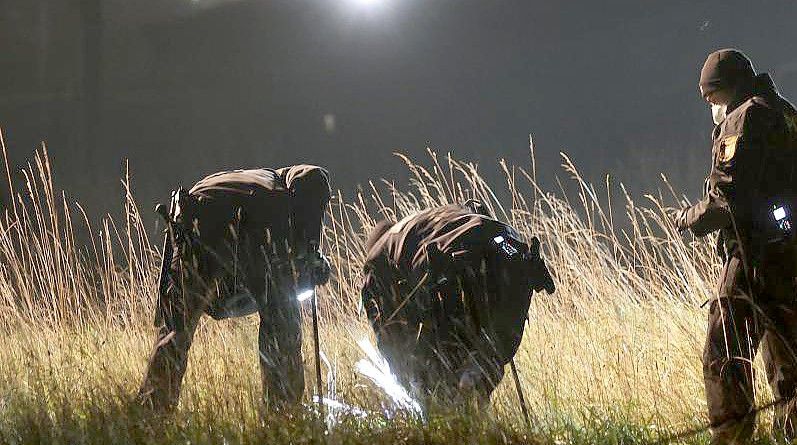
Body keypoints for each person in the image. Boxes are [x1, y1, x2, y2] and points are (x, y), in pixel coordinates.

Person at [674, 48, 797, 445]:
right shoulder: (787, 113)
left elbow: (728, 199)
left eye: (710, 98)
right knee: (789, 359)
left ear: (722, 89)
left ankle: (733, 441)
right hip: (791, 253)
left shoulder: (743, 118)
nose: (710, 107)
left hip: (754, 255)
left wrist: (689, 218)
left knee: (723, 352)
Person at [138, 165, 331, 411]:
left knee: (176, 330)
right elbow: (291, 274)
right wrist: (310, 262)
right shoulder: (285, 197)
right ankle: (283, 418)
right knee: (282, 322)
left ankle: (149, 416)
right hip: (251, 226)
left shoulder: (254, 180)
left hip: (191, 220)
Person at [361, 201, 555, 404]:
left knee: (445, 372)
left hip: (452, 263)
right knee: (492, 350)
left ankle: (459, 416)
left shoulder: (378, 257)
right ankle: (474, 392)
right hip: (510, 250)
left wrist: (409, 382)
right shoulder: (431, 221)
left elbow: (389, 337)